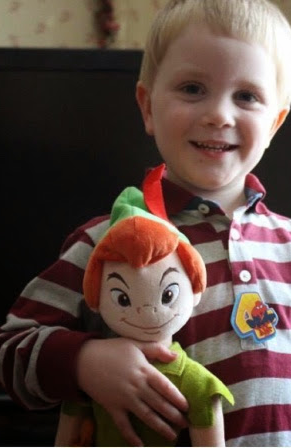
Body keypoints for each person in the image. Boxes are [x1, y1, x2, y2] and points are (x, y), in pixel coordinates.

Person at [0, 0, 291, 447]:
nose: (219, 115)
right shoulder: (109, 241)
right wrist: (85, 362)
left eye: (247, 96)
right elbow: (8, 353)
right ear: (147, 107)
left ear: (275, 123)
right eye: (193, 89)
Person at [55, 184, 233, 446]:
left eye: (168, 295)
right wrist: (84, 362)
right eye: (123, 299)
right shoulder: (92, 238)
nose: (148, 312)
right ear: (95, 297)